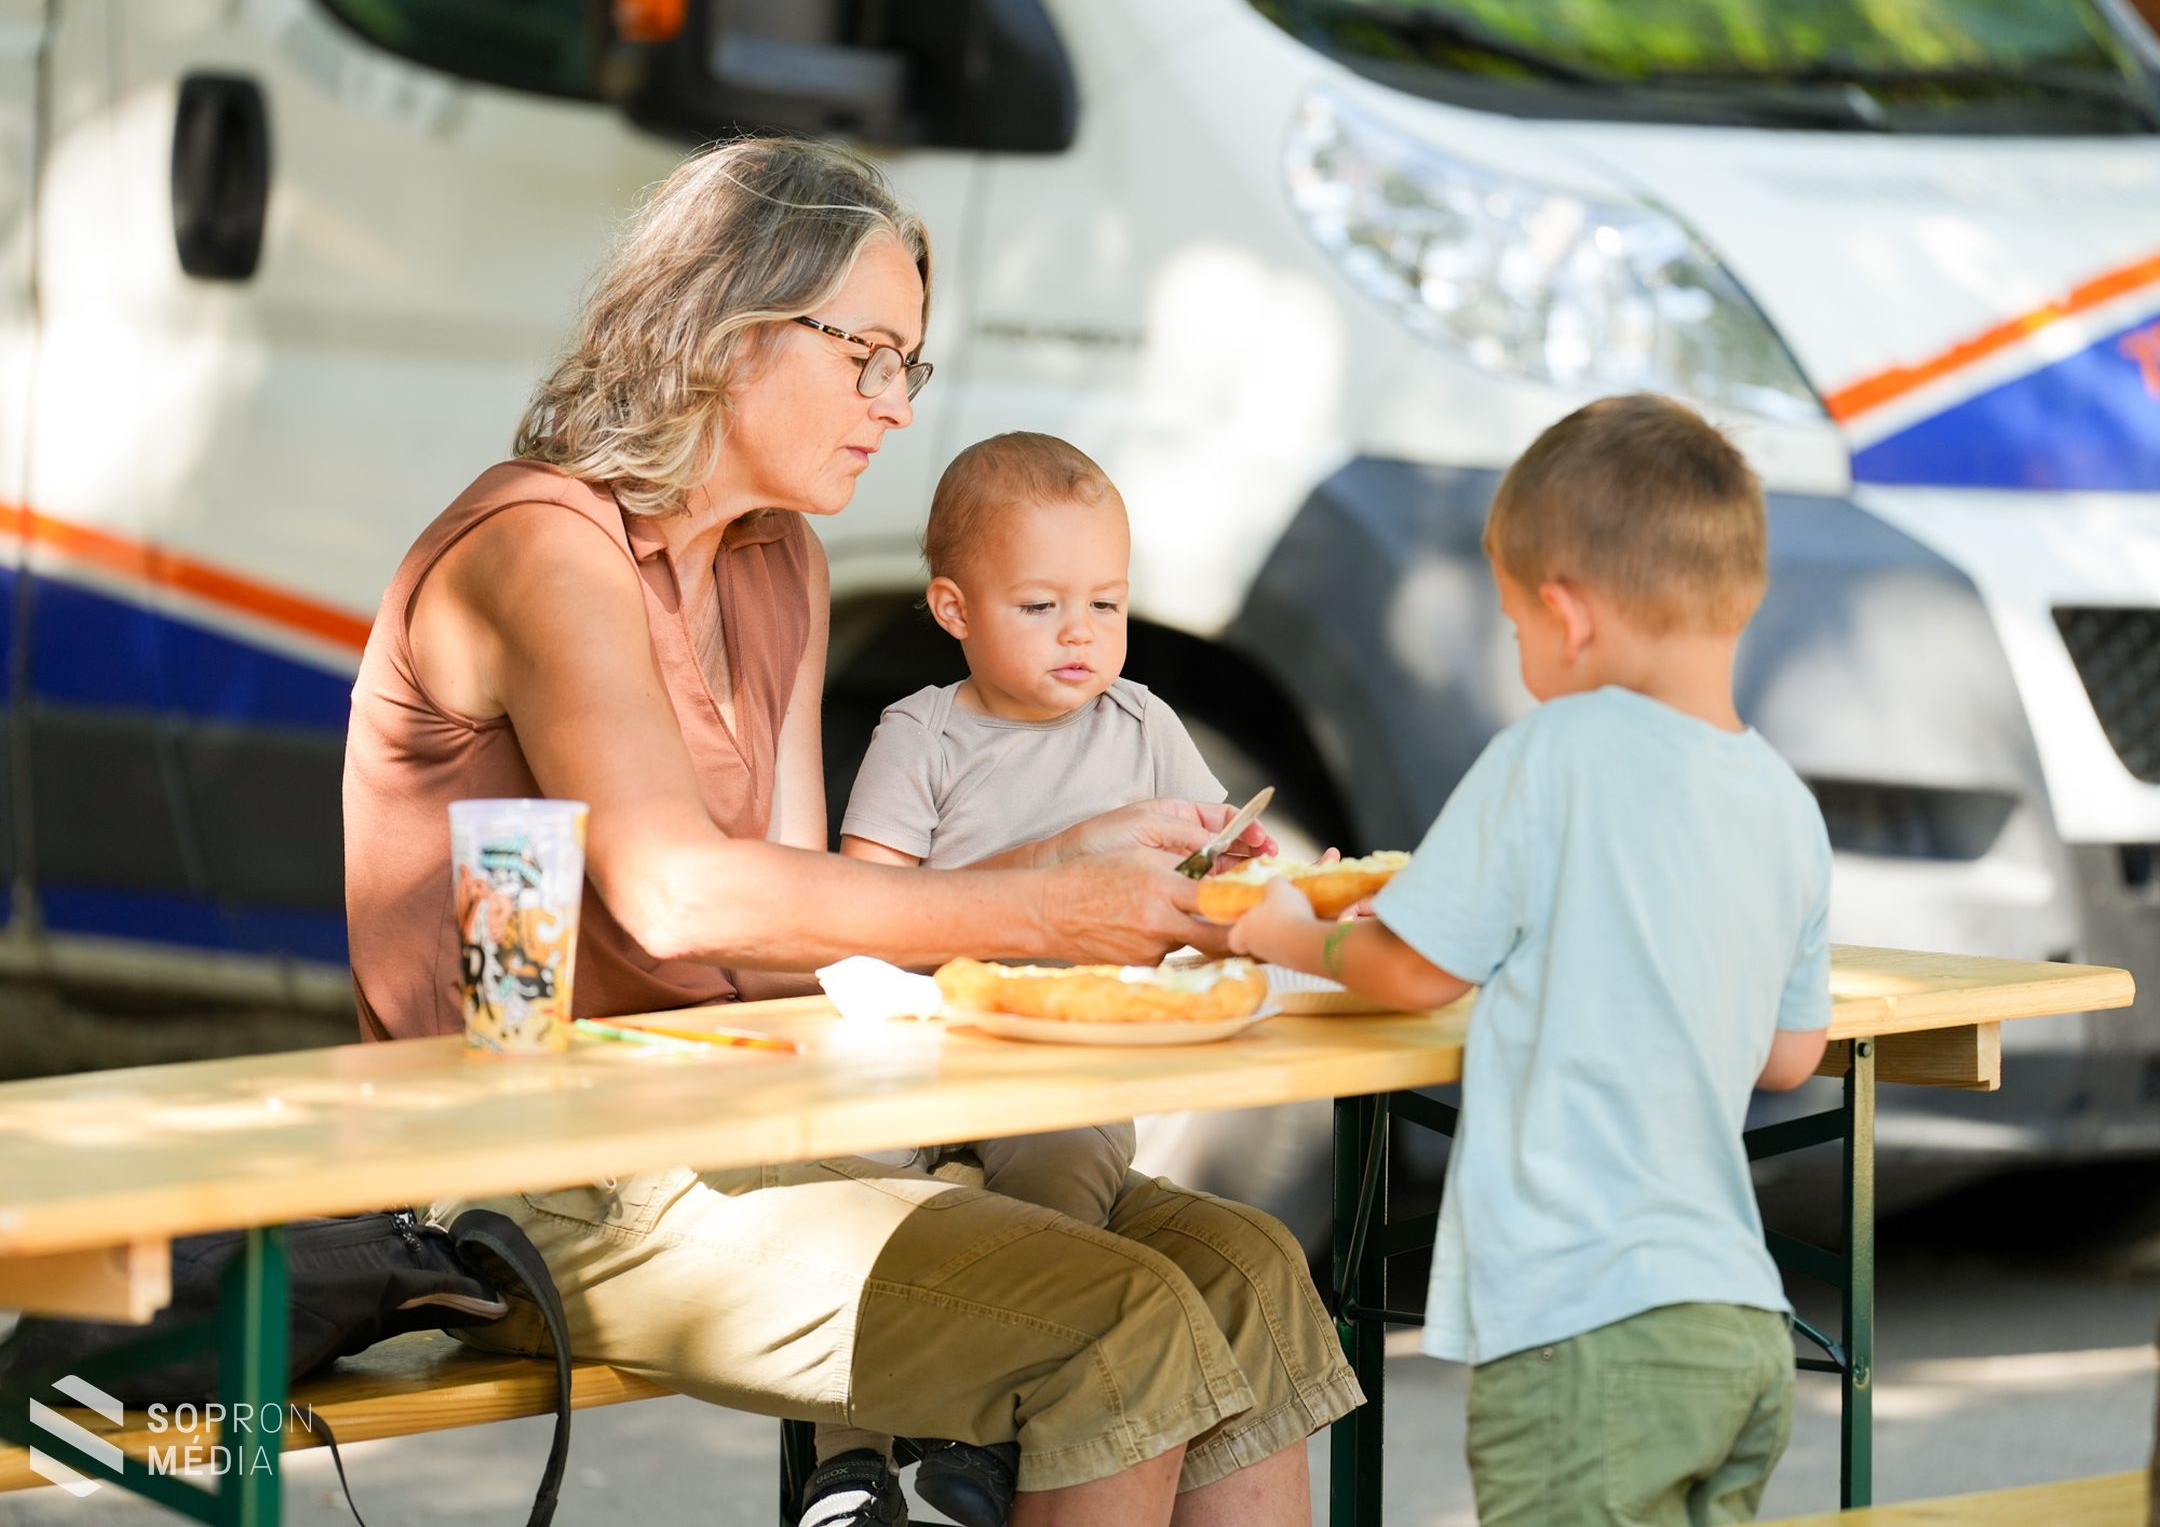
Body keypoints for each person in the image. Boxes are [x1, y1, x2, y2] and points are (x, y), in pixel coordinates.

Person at [341, 136, 1362, 1527]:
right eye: (866, 354)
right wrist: (1048, 909)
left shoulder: (778, 557)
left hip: (763, 1125)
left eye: (910, 366)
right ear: (725, 322)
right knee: (1113, 1322)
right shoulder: (543, 548)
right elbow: (679, 898)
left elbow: (798, 931)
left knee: (1250, 1274)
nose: (894, 405)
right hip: (558, 1174)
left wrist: (1068, 870)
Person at [1229, 394, 1833, 1526]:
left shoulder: (1557, 749)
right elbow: (1791, 1054)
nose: (1519, 653)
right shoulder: (1784, 803)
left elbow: (1414, 968)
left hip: (1584, 1327)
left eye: (1513, 625)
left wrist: (1268, 924)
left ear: (1568, 613)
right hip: (1741, 1324)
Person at [818, 432, 1227, 1523]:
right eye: (1040, 607)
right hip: (921, 1049)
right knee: (845, 1191)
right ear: (955, 609)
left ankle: (984, 1434)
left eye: (1105, 602)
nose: (1080, 634)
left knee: (1070, 1166)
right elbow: (866, 914)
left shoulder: (1146, 726)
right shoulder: (925, 733)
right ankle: (845, 1459)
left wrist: (1272, 893)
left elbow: (1221, 867)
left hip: (1059, 1058)